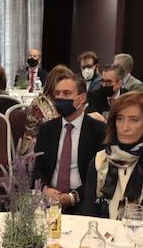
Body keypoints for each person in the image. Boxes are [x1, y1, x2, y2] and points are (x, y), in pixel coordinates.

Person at [79, 91, 143, 226]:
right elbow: (89, 215)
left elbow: (142, 222)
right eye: (120, 118)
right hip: (101, 236)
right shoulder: (100, 161)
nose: (125, 127)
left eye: (134, 120)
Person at [33, 73, 105, 212]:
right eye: (57, 93)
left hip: (84, 199)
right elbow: (37, 167)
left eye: (67, 93)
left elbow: (101, 175)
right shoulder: (47, 129)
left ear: (82, 98)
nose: (60, 98)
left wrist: (73, 196)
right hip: (49, 197)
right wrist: (45, 189)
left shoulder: (98, 131)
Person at [17, 64, 73, 156]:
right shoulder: (40, 103)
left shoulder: (62, 102)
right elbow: (53, 129)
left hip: (55, 145)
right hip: (35, 148)